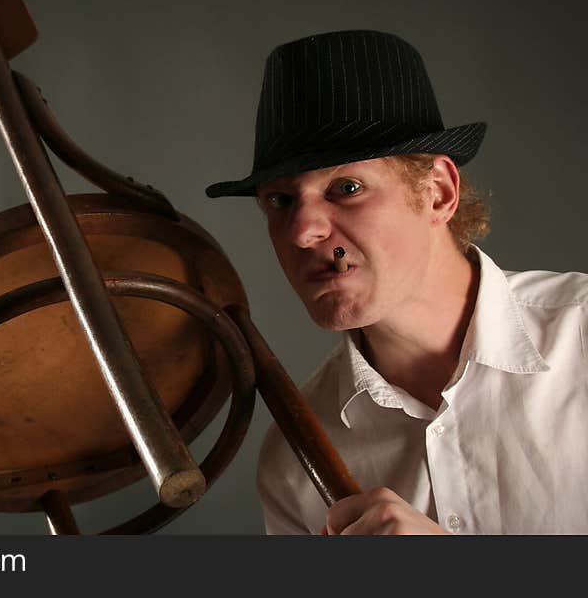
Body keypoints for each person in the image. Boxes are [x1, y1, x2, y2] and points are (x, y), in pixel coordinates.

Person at [206, 30, 588, 535]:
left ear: (438, 193)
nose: (302, 232)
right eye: (280, 201)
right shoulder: (295, 461)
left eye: (346, 188)